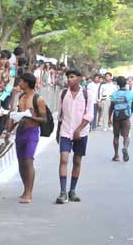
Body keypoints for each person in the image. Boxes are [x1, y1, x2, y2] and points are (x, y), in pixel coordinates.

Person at [10, 73, 48, 204]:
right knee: (21, 162)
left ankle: (29, 193)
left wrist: (30, 117)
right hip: (20, 131)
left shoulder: (38, 99)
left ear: (26, 83)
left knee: (28, 160)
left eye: (21, 81)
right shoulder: (20, 97)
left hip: (32, 132)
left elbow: (44, 119)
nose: (19, 83)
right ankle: (25, 188)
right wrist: (8, 131)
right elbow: (16, 115)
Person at [56, 69, 92, 204]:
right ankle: (62, 192)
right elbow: (60, 115)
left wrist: (79, 129)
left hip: (81, 133)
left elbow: (89, 115)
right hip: (65, 131)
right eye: (68, 77)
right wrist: (57, 131)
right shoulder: (63, 93)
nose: (69, 79)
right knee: (63, 159)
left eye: (72, 77)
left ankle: (72, 190)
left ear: (79, 78)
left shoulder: (87, 94)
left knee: (77, 161)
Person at [110, 75, 133, 162]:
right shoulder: (131, 94)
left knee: (116, 136)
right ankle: (125, 147)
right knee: (126, 136)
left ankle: (116, 155)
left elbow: (111, 107)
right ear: (126, 83)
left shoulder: (114, 94)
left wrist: (109, 117)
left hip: (116, 117)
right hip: (125, 117)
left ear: (117, 84)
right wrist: (129, 114)